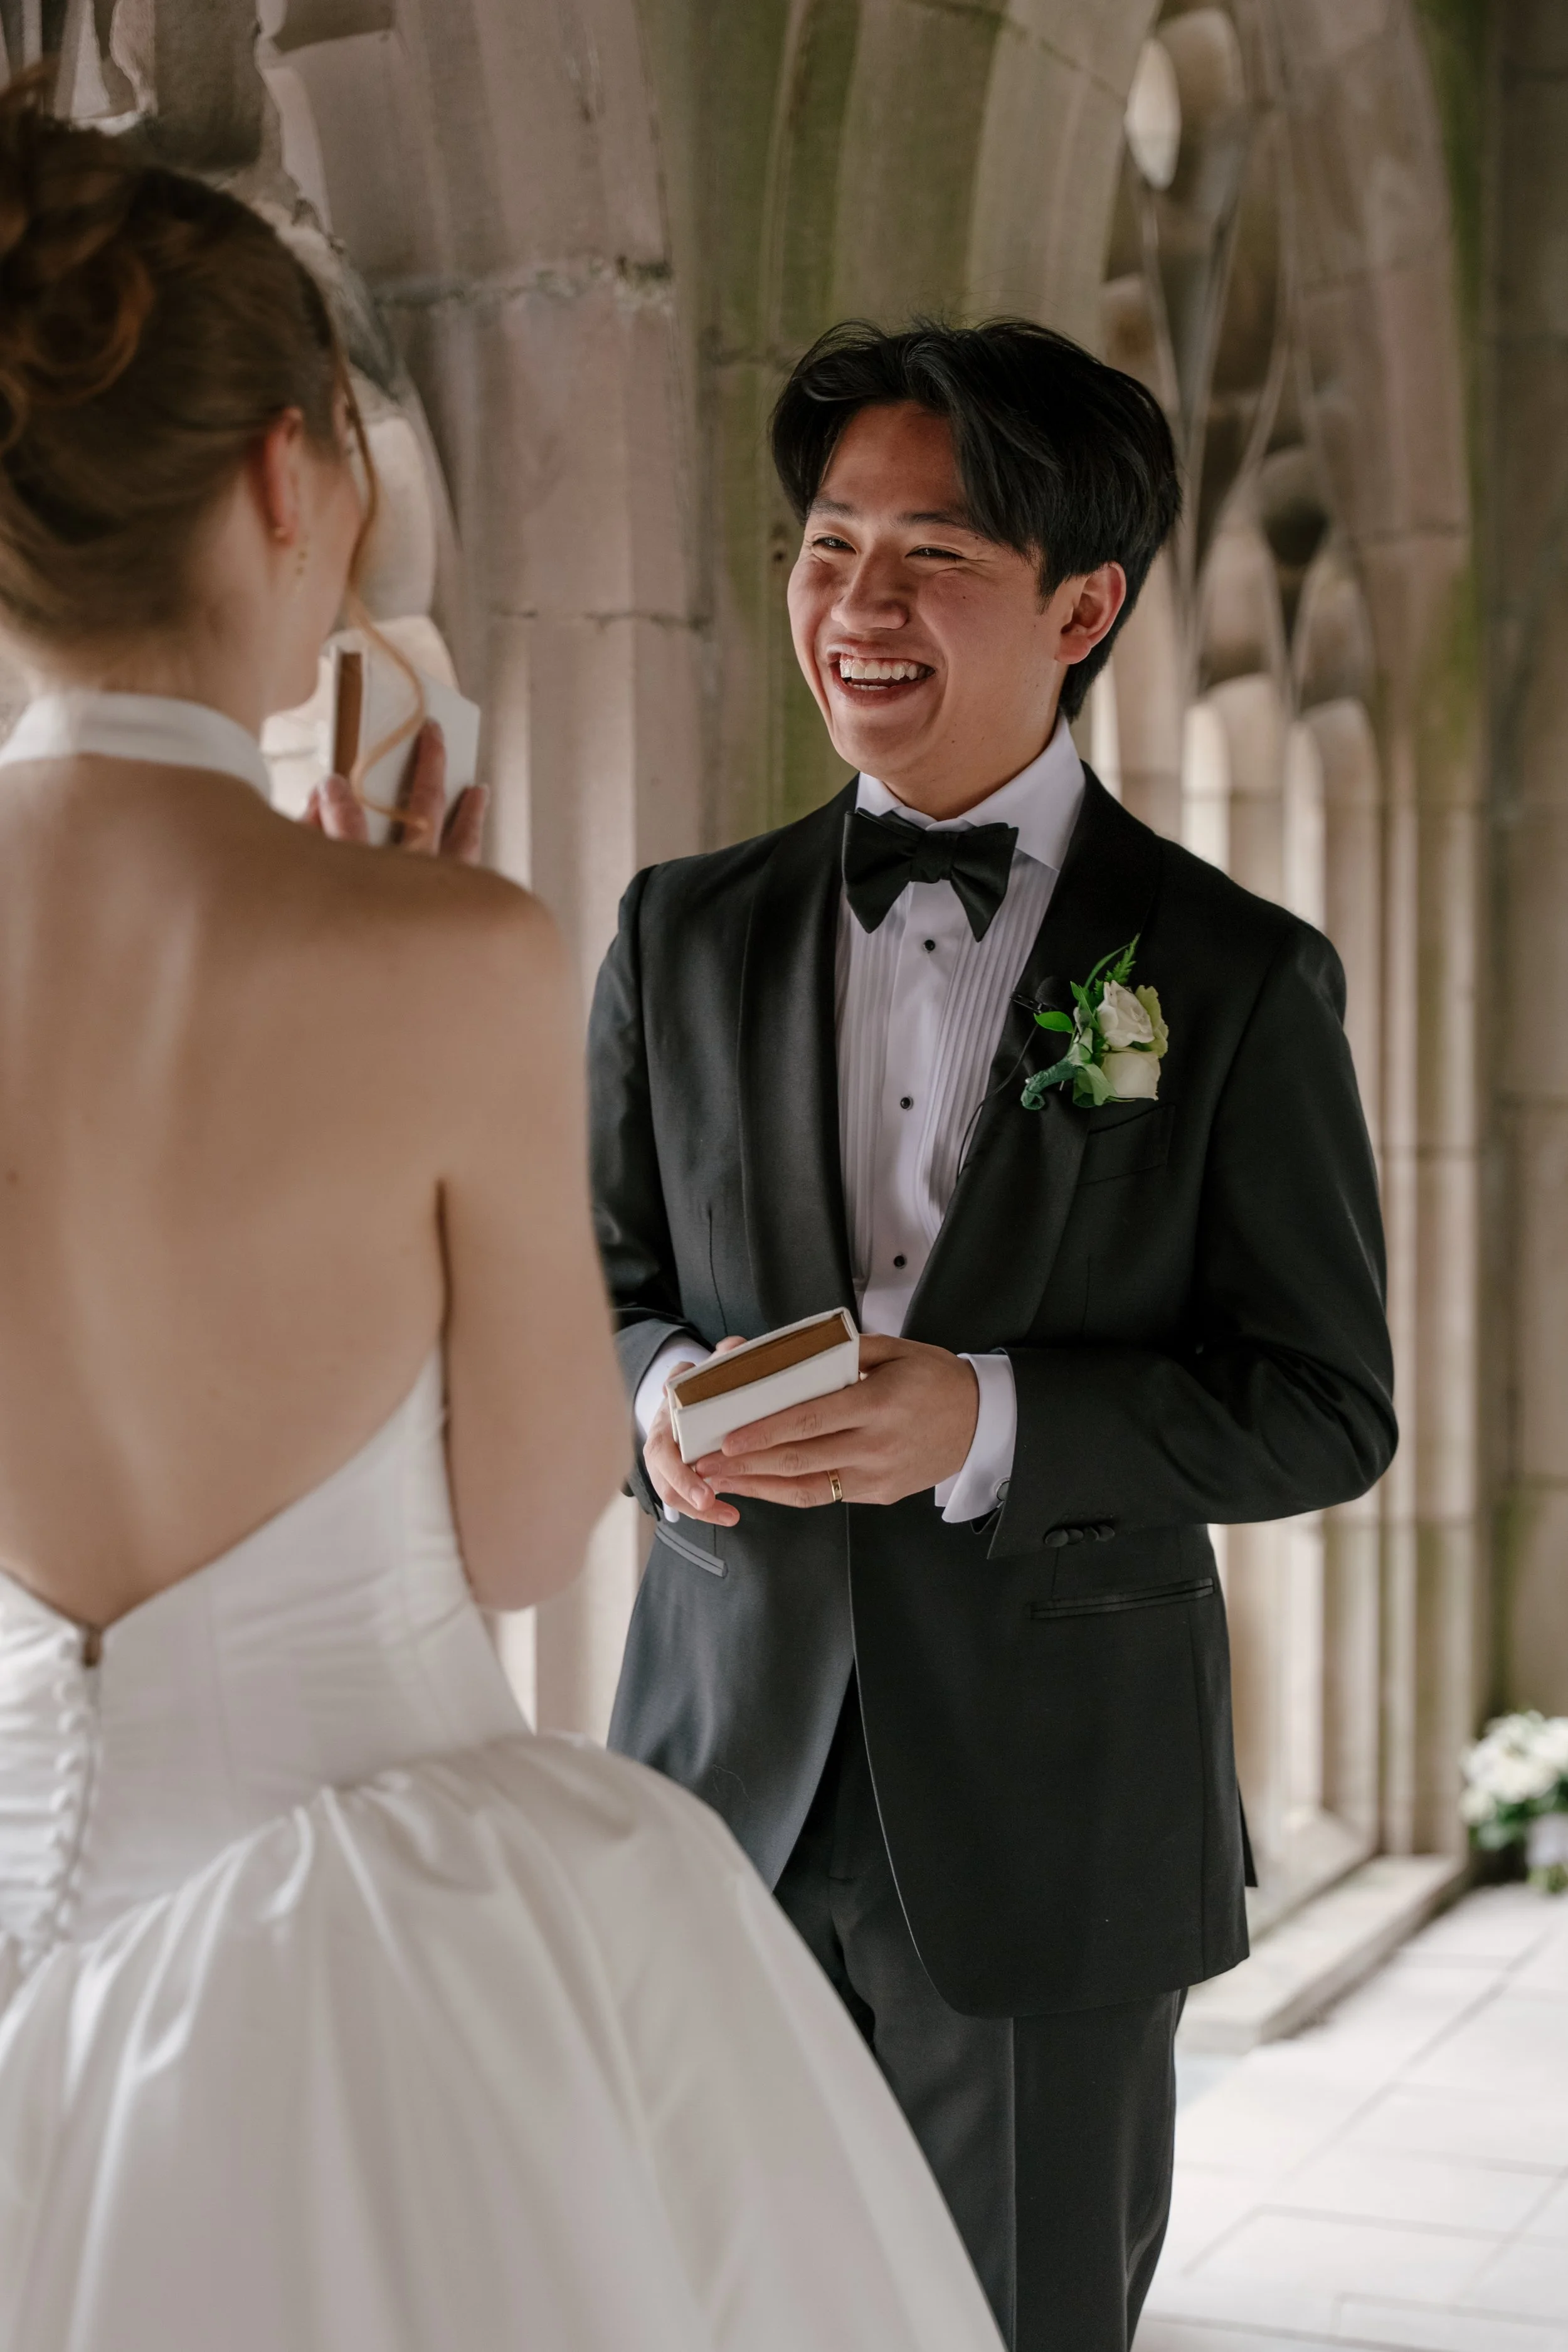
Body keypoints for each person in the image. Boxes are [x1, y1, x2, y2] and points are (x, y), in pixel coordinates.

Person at [0, 83, 1008, 2352]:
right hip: (344, 1970)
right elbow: (530, 1524)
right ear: (289, 475)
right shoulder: (438, 954)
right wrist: (422, 967)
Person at [591, 319, 1397, 2352]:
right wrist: (658, 1396)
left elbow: (1323, 1407)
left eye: (930, 555)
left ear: (1083, 605)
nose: (855, 604)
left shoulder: (1229, 974)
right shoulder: (677, 929)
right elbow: (598, 1283)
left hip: (1051, 1821)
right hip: (713, 1789)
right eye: (827, 542)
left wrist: (988, 1413)